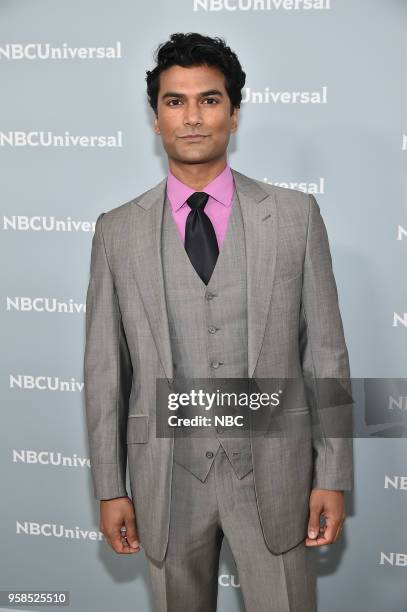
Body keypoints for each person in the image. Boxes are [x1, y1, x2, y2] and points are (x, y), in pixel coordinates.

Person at [83, 32, 354, 612]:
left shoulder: (294, 216)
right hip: (166, 480)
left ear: (233, 113)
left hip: (276, 478)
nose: (192, 118)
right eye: (174, 102)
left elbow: (325, 354)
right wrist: (110, 487)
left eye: (209, 100)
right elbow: (106, 373)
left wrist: (332, 473)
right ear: (155, 118)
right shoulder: (117, 231)